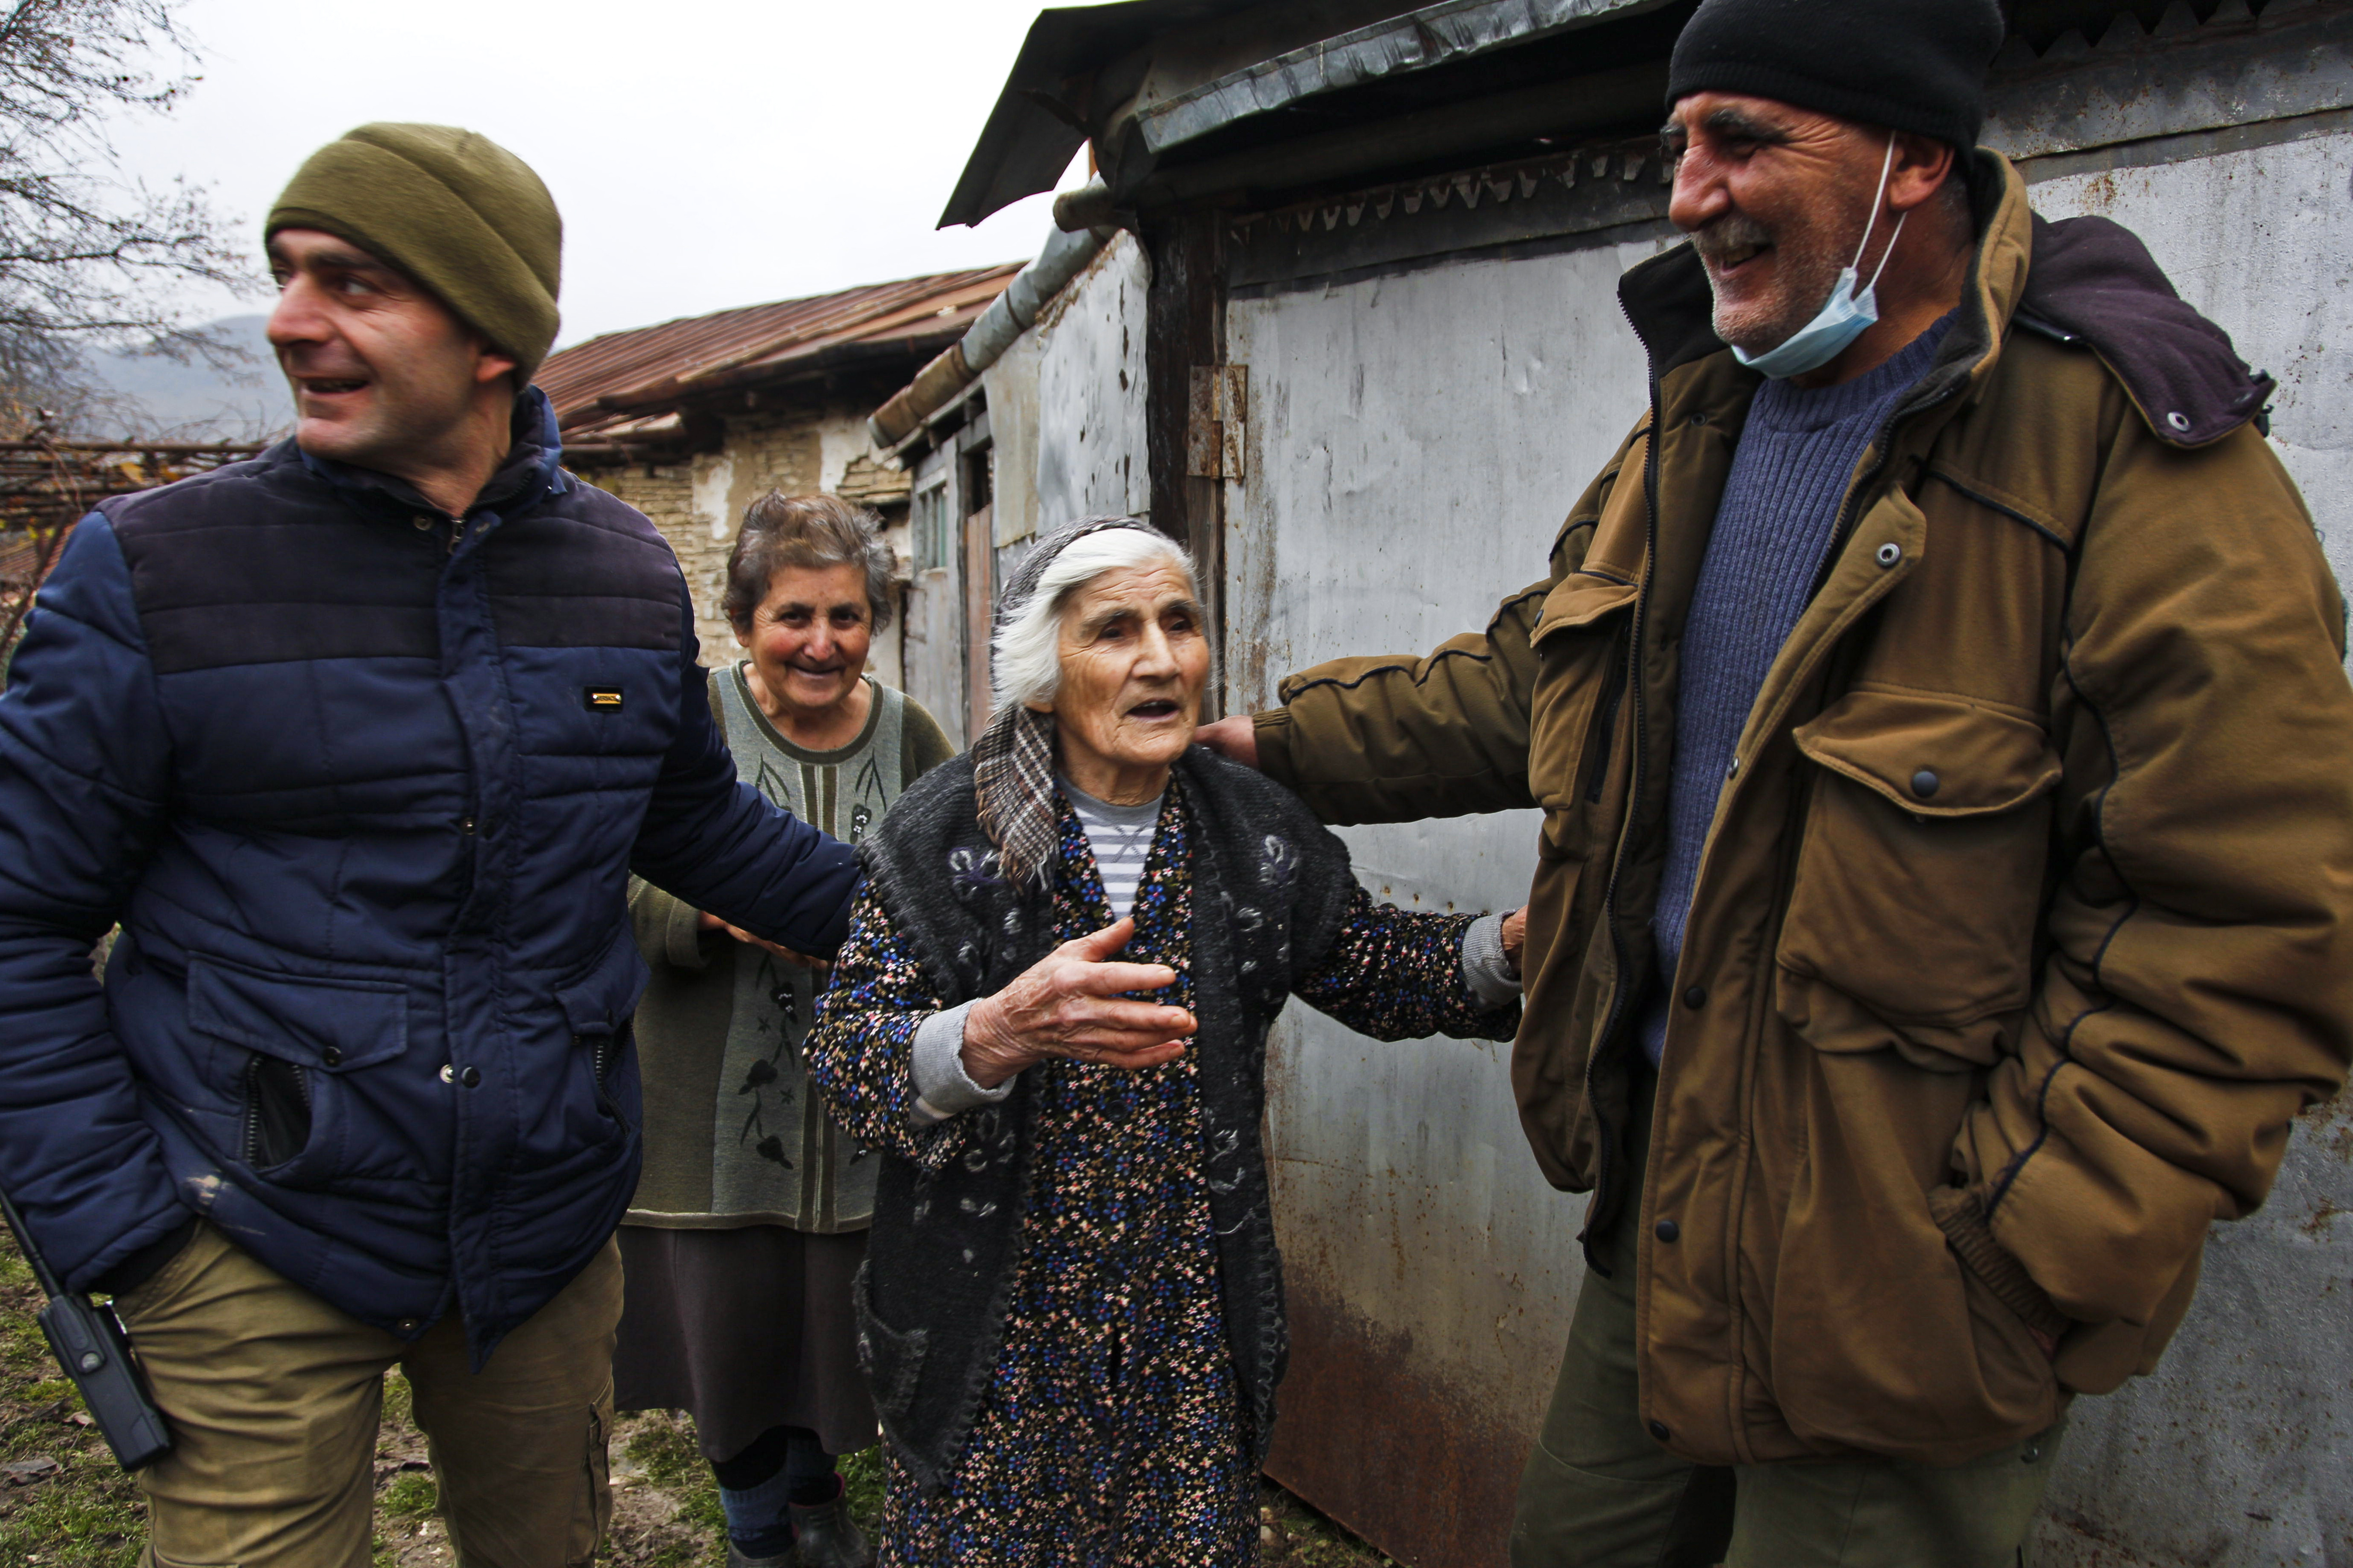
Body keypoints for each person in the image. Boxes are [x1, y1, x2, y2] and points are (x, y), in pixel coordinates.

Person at [1196, 0, 2353, 1562]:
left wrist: (2023, 1254)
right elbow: (1542, 675)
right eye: (1677, 145)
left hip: (1913, 1277)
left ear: (1915, 156)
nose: (1686, 192)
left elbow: (2253, 909)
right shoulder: (1704, 414)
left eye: (1742, 140)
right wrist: (1265, 747)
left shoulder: (2129, 454)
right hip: (1670, 1210)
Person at [0, 125, 859, 1568]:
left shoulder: (619, 571)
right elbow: (18, 918)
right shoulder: (156, 571)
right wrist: (128, 1235)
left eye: (352, 283)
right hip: (248, 1229)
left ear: (489, 332)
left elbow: (698, 826)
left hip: (539, 1232)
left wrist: (955, 911)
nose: (288, 319)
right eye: (286, 276)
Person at [803, 517, 1525, 1565]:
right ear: (1042, 674)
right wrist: (998, 1029)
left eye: (1177, 622)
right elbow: (849, 1061)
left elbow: (1367, 966)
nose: (1159, 658)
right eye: (1114, 630)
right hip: (995, 1327)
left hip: (1184, 1318)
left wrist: (1510, 946)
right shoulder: (940, 838)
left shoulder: (1249, 831)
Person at [615, 492, 952, 1568]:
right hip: (703, 1106)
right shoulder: (689, 723)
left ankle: (816, 1499)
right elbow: (601, 881)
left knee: (827, 1338)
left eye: (847, 617)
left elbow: (957, 884)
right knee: (731, 1340)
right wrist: (711, 905)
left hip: (860, 1121)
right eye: (793, 615)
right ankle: (758, 1534)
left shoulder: (912, 736)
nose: (821, 642)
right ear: (744, 621)